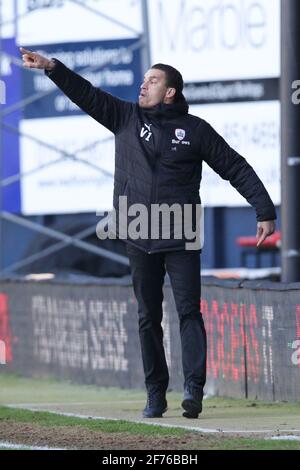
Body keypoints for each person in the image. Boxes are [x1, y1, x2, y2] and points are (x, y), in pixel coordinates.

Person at [20, 47, 276, 419]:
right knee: (147, 316)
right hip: (138, 232)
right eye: (143, 80)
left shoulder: (195, 130)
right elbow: (86, 93)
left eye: (153, 80)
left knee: (189, 311)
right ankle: (155, 393)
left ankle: (193, 390)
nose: (144, 85)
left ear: (170, 91)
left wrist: (264, 210)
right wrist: (52, 68)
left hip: (181, 234)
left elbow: (234, 167)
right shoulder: (124, 116)